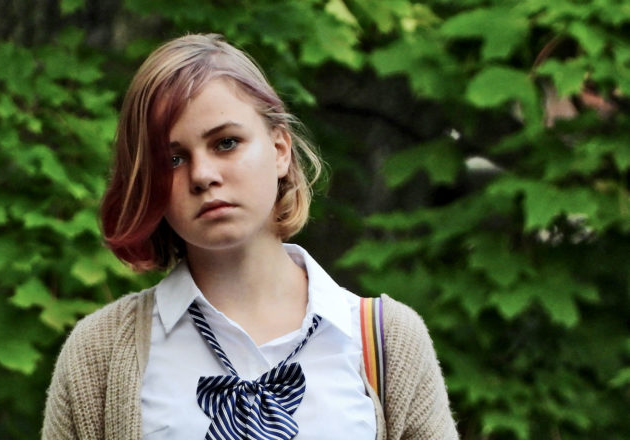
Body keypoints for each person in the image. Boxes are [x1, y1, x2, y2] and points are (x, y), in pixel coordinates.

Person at [42, 34, 458, 440]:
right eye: (172, 159)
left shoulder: (387, 341)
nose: (203, 175)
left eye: (226, 143)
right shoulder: (100, 353)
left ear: (279, 150)